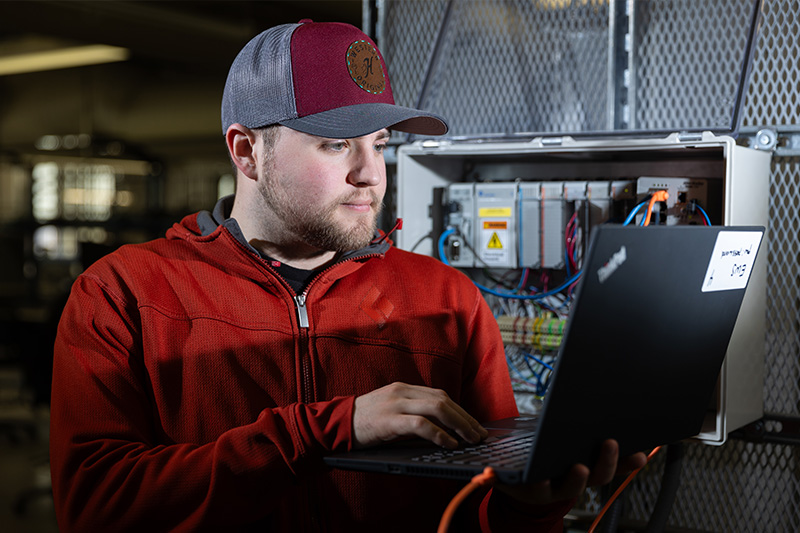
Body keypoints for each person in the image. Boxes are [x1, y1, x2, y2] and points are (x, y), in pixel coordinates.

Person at [49, 20, 646, 532]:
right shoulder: (124, 294)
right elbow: (95, 509)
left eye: (379, 142)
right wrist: (328, 431)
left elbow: (478, 511)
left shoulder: (445, 300)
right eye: (337, 145)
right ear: (246, 150)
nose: (371, 174)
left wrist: (530, 506)